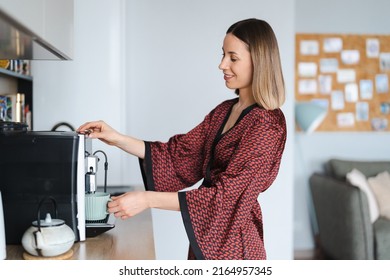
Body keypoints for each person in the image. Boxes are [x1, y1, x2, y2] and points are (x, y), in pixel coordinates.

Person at [77, 18, 286, 260]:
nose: (222, 65)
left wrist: (147, 200)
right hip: (207, 240)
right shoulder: (224, 111)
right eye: (222, 55)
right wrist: (116, 138)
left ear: (258, 62)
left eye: (233, 58)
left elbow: (226, 197)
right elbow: (181, 154)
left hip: (235, 248)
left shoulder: (267, 124)